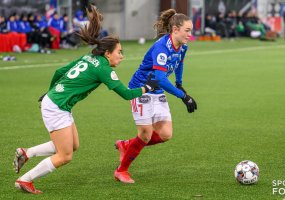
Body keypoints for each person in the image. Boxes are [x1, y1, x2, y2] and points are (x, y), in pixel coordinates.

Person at [13, 5, 159, 194]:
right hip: (57, 106)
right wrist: (147, 88)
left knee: (73, 145)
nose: (121, 56)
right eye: (119, 52)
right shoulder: (104, 69)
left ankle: (27, 153)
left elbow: (59, 72)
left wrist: (51, 92)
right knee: (65, 156)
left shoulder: (89, 57)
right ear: (107, 54)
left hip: (56, 101)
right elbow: (126, 94)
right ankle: (25, 180)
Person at [114, 9, 197, 184]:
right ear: (175, 29)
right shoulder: (161, 47)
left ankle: (127, 145)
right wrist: (182, 96)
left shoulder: (182, 46)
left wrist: (179, 83)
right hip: (141, 89)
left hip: (157, 90)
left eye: (191, 30)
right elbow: (159, 77)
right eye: (187, 30)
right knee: (145, 135)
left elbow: (179, 62)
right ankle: (121, 171)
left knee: (166, 134)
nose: (190, 34)